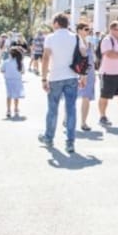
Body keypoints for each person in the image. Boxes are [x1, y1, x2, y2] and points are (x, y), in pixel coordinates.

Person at [38, 13, 83, 153]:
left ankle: (49, 137)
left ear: (57, 23)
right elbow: (83, 56)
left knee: (52, 109)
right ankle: (70, 142)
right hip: (72, 76)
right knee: (71, 110)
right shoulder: (75, 37)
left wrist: (44, 78)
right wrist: (82, 76)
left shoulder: (50, 38)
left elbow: (45, 58)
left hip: (55, 77)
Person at [76, 23, 96, 131]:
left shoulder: (90, 44)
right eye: (86, 29)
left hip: (90, 73)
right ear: (79, 30)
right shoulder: (75, 42)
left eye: (89, 29)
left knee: (86, 97)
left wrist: (94, 73)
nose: (88, 31)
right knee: (72, 97)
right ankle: (66, 117)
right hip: (77, 73)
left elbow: (92, 60)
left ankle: (83, 122)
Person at [1, 46, 25, 118]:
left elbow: (2, 70)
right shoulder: (20, 63)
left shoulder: (6, 62)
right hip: (17, 80)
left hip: (8, 80)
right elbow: (23, 72)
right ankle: (16, 109)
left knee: (9, 95)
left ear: (10, 54)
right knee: (16, 96)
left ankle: (8, 110)